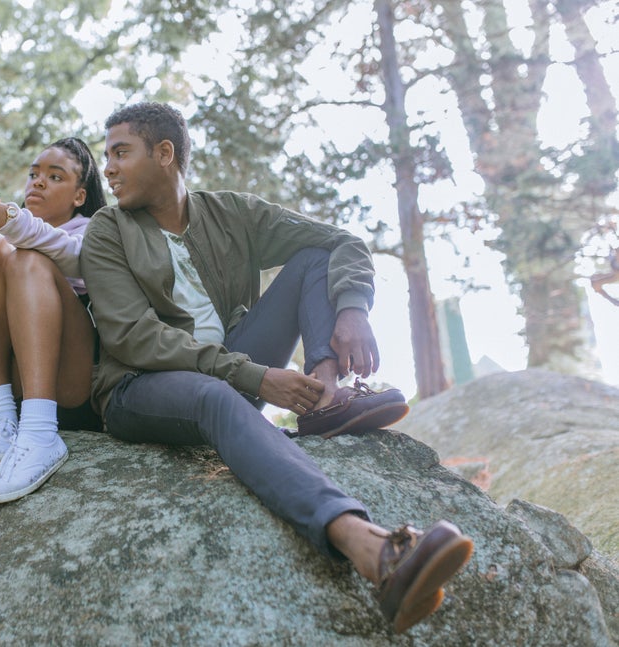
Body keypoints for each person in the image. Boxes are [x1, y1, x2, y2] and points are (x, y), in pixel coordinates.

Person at [79, 102, 474, 633]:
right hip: (139, 388)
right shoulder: (107, 229)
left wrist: (353, 306)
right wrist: (256, 377)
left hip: (233, 363)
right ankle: (368, 546)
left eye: (120, 153)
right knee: (212, 396)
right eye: (107, 156)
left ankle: (325, 395)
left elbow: (339, 241)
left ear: (165, 154)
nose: (109, 168)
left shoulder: (231, 213)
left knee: (312, 259)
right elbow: (132, 337)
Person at [0, 137, 106, 504]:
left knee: (28, 258)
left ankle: (40, 432)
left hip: (71, 383)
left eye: (55, 176)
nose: (38, 182)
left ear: (79, 195)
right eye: (33, 174)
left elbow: (80, 260)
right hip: (14, 385)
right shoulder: (3, 236)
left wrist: (7, 218)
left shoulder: (95, 228)